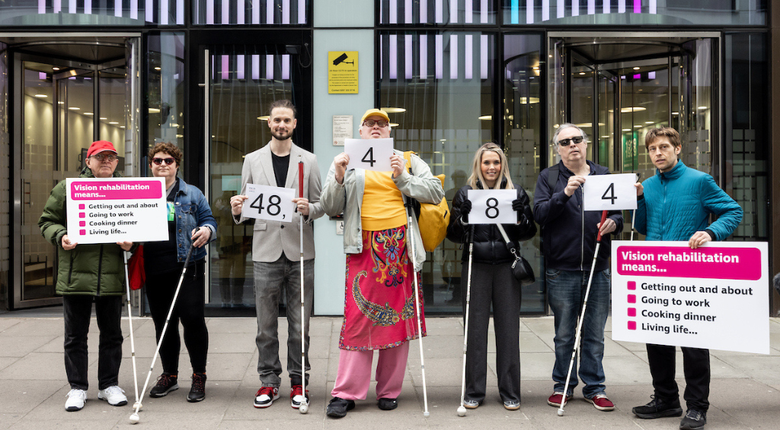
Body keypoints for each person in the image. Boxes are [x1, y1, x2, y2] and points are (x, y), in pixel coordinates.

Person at [320, 108, 444, 418]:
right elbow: (328, 206)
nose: (376, 128)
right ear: (361, 132)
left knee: (397, 318)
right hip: (363, 247)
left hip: (400, 249)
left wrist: (403, 176)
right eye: (370, 124)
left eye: (382, 124)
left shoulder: (408, 159)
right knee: (358, 321)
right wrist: (337, 175)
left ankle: (389, 390)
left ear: (389, 132)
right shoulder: (346, 162)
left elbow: (436, 192)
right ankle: (346, 392)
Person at [631, 127, 742, 430]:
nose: (658, 153)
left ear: (678, 148)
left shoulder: (699, 181)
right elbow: (641, 226)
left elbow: (733, 211)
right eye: (653, 149)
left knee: (693, 343)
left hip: (690, 271)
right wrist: (639, 199)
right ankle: (666, 399)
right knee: (656, 338)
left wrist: (710, 231)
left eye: (664, 147)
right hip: (655, 271)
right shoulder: (650, 185)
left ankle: (697, 406)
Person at [229, 99, 325, 410]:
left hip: (300, 252)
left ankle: (299, 381)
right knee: (265, 326)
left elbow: (322, 204)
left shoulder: (308, 161)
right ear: (268, 124)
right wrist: (236, 210)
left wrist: (309, 209)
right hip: (265, 251)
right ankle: (268, 382)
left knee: (301, 326)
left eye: (286, 120)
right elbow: (245, 206)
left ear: (294, 124)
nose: (281, 125)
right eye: (276, 120)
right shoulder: (253, 160)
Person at [533, 124, 623, 412]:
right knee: (564, 333)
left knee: (595, 333)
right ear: (557, 149)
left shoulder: (604, 174)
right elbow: (540, 214)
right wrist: (565, 194)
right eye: (565, 142)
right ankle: (563, 386)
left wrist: (616, 224)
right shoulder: (549, 177)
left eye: (577, 140)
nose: (572, 145)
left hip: (598, 266)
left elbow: (619, 212)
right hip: (562, 268)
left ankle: (594, 388)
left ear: (586, 144)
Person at [38, 140, 133, 411]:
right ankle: (77, 387)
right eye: (99, 157)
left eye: (111, 158)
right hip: (76, 275)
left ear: (116, 163)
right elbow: (47, 220)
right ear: (88, 162)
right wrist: (61, 235)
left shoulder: (127, 191)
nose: (106, 161)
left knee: (112, 334)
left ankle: (108, 385)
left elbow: (140, 225)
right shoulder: (68, 188)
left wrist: (132, 243)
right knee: (75, 336)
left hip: (112, 274)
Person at [446, 143, 536, 410]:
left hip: (507, 267)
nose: (491, 167)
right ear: (479, 165)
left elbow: (528, 233)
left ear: (502, 164)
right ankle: (474, 390)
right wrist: (462, 219)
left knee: (508, 330)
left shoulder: (515, 192)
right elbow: (451, 235)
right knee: (474, 331)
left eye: (496, 162)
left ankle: (510, 390)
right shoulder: (466, 193)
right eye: (486, 163)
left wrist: (521, 215)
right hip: (476, 266)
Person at [143, 142, 217, 403]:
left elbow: (210, 220)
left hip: (188, 267)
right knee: (164, 324)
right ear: (150, 164)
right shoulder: (139, 193)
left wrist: (207, 231)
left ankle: (199, 375)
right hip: (154, 268)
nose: (163, 164)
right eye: (158, 160)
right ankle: (169, 376)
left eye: (169, 160)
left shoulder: (192, 193)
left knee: (193, 321)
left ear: (177, 164)